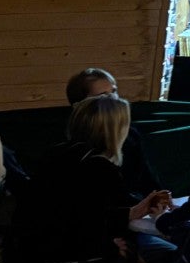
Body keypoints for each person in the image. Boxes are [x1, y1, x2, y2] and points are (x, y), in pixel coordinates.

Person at [18, 94, 172, 263]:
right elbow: (84, 229)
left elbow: (77, 214)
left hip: (27, 255)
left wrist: (131, 212)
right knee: (169, 256)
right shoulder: (98, 168)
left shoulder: (59, 153)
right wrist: (110, 247)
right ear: (115, 131)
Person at [63, 68, 160, 199]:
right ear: (81, 105)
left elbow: (145, 175)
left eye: (114, 92)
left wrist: (159, 196)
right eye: (103, 96)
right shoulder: (76, 146)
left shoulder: (129, 134)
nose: (113, 99)